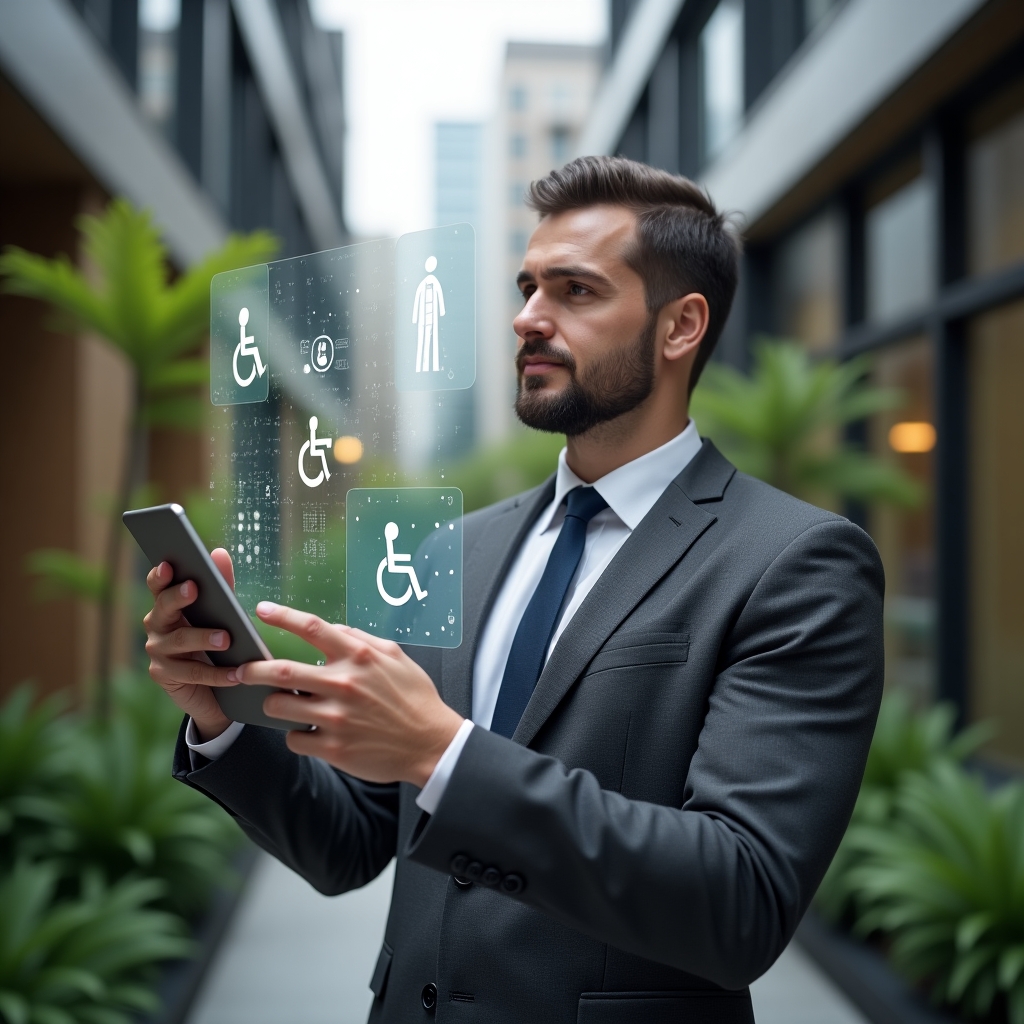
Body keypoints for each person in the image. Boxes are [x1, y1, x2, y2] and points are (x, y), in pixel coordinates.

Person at [144, 156, 883, 1023]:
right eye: (528, 286)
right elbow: (347, 840)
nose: (527, 318)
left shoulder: (796, 562)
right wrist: (221, 716)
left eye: (575, 291)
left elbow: (741, 899)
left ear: (681, 326)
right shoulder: (455, 546)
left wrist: (444, 752)